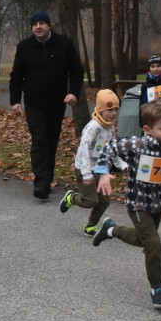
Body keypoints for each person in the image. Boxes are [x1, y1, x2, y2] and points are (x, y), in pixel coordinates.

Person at [92, 102, 161, 309]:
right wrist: (104, 172)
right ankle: (157, 290)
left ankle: (111, 230)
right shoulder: (136, 145)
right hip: (138, 203)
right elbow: (110, 147)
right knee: (153, 244)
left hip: (159, 203)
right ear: (147, 129)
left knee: (143, 240)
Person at [9, 9, 84, 200]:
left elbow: (76, 70)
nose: (38, 27)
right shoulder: (25, 47)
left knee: (51, 141)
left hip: (56, 103)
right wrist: (15, 100)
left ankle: (47, 179)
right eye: (34, 24)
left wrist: (73, 92)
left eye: (42, 23)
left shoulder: (64, 44)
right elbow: (16, 75)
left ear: (49, 25)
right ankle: (41, 182)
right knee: (40, 139)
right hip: (34, 103)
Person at [59, 90, 127, 237]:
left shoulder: (109, 127)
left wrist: (123, 165)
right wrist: (86, 173)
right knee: (90, 200)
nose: (114, 113)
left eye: (116, 109)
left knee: (104, 201)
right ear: (101, 109)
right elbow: (83, 150)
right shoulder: (93, 128)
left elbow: (110, 149)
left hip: (100, 169)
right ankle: (72, 198)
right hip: (86, 169)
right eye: (110, 109)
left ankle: (90, 227)